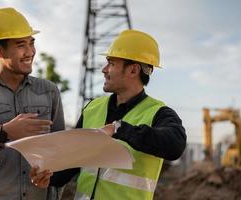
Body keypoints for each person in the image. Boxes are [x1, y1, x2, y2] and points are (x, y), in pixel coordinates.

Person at [0, 7, 65, 200]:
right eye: (21, 45)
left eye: (31, 43)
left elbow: (60, 151)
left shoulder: (49, 91)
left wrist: (49, 175)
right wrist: (3, 132)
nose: (30, 52)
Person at [71, 29, 187, 199]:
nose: (104, 69)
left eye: (111, 63)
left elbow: (175, 145)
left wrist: (119, 129)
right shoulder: (93, 108)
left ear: (133, 70)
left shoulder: (158, 113)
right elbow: (72, 159)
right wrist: (49, 176)